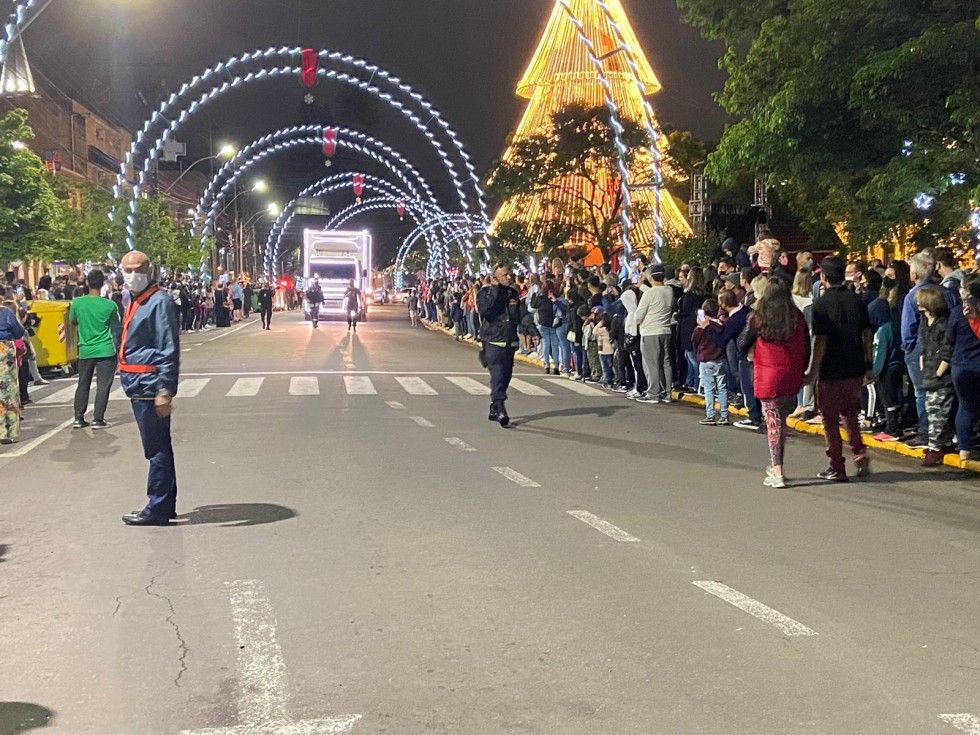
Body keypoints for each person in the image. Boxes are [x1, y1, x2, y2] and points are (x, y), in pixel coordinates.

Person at [117, 251, 181, 526]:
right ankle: (165, 504)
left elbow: (168, 348)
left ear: (150, 270)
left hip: (149, 384)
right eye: (127, 270)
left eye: (138, 269)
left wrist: (164, 390)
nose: (133, 275)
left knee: (155, 449)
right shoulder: (132, 299)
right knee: (159, 447)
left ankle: (157, 506)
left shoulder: (159, 302)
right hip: (136, 383)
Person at [807, 256, 873, 482]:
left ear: (824, 277)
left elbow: (820, 341)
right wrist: (868, 363)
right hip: (854, 366)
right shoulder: (857, 300)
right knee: (851, 415)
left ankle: (837, 465)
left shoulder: (821, 305)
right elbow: (867, 333)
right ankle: (859, 452)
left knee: (830, 420)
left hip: (830, 369)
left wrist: (813, 370)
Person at [748, 280, 810, 488]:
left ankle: (778, 471)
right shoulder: (797, 318)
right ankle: (777, 465)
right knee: (781, 423)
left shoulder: (759, 318)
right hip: (791, 372)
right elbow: (807, 346)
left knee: (773, 424)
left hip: (767, 375)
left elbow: (741, 342)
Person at [68, 270, 121, 430]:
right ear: (103, 284)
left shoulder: (77, 303)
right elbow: (116, 326)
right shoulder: (110, 305)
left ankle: (79, 417)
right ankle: (98, 419)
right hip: (105, 349)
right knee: (103, 385)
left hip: (85, 349)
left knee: (83, 383)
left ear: (87, 283)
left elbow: (73, 320)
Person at [915, 286, 955, 466]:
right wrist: (923, 362)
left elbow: (948, 348)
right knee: (932, 408)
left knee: (937, 410)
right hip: (929, 371)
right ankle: (943, 443)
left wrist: (940, 371)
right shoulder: (925, 321)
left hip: (941, 375)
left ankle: (935, 446)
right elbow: (924, 343)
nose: (918, 304)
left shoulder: (944, 323)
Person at [477, 263, 520, 427]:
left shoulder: (513, 293)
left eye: (510, 274)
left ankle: (494, 407)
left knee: (506, 376)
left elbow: (517, 316)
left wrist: (530, 330)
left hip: (509, 340)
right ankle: (501, 407)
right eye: (505, 275)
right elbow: (487, 312)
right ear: (495, 278)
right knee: (497, 374)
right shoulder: (485, 293)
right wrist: (495, 290)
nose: (509, 277)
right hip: (493, 340)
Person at [947, 274, 980, 465]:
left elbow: (949, 338)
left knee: (965, 408)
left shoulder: (959, 311)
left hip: (962, 364)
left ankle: (964, 450)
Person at [634, 265, 675, 404]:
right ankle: (667, 392)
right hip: (666, 330)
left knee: (651, 363)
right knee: (665, 363)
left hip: (650, 331)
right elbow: (656, 292)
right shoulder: (669, 290)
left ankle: (653, 393)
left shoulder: (649, 294)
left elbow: (638, 316)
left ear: (651, 278)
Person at [692, 299, 730, 426]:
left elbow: (695, 341)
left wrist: (699, 326)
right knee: (722, 388)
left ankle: (710, 415)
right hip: (720, 359)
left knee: (709, 389)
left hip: (706, 360)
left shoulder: (701, 328)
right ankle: (724, 415)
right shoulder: (721, 326)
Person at [0, 297, 26, 444]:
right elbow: (18, 332)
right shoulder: (5, 312)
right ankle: (5, 432)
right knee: (7, 392)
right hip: (4, 351)